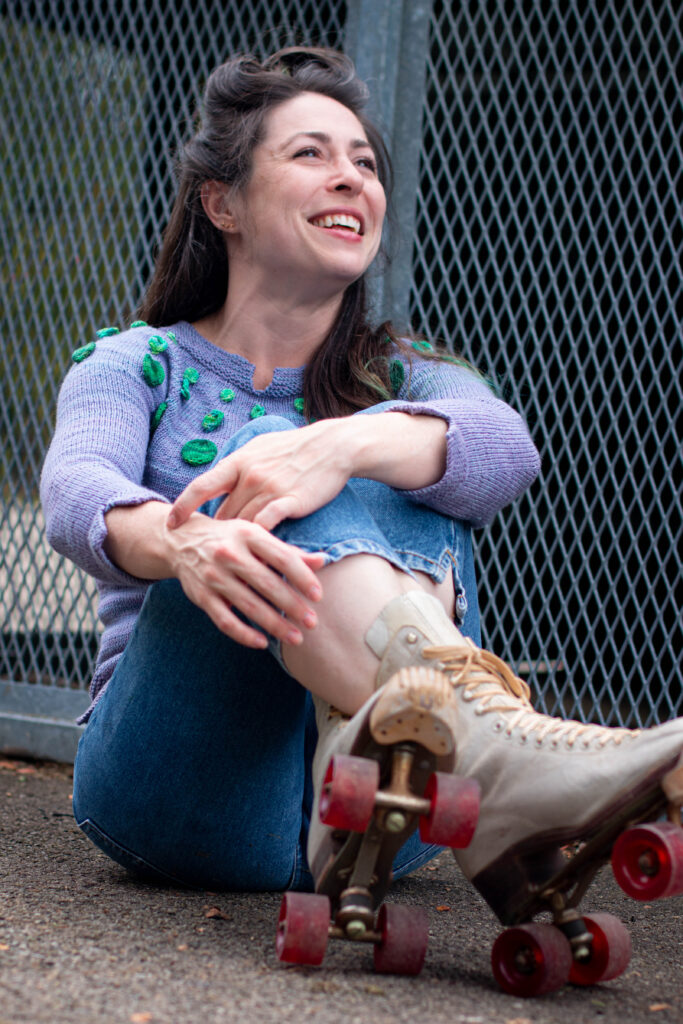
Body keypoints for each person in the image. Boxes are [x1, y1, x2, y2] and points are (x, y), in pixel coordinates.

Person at [41, 47, 682, 969]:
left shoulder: (406, 369)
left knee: (401, 440)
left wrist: (340, 442)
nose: (350, 176)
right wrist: (187, 544)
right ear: (222, 204)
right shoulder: (138, 362)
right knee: (264, 476)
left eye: (365, 162)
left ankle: (460, 741)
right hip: (175, 783)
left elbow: (506, 452)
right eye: (309, 154)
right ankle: (500, 758)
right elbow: (74, 494)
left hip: (403, 808)